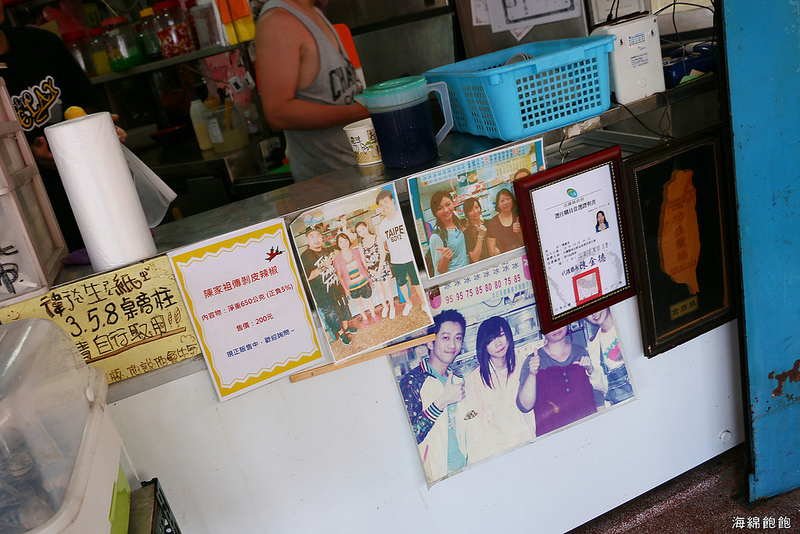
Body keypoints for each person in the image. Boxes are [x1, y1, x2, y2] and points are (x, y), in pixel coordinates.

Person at [0, 7, 125, 252]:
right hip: (28, 218)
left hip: (93, 193)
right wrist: (28, 157)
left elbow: (84, 105)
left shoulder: (42, 43)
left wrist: (98, 129)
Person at [255, 0, 369, 181]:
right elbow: (278, 113)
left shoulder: (314, 12)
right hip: (330, 185)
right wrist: (361, 111)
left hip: (358, 172)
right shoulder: (278, 23)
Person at [398, 309, 468, 481]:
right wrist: (442, 401)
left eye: (458, 338)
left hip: (465, 466)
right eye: (445, 338)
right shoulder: (412, 381)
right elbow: (410, 437)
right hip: (437, 476)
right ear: (430, 343)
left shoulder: (457, 379)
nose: (452, 345)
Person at [463, 316, 534, 464]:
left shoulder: (522, 363)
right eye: (490, 340)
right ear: (484, 346)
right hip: (497, 454)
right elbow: (473, 424)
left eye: (501, 335)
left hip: (528, 443)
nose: (498, 343)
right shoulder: (475, 380)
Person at [516, 327, 598, 437]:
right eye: (549, 324)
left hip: (587, 431)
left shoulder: (580, 352)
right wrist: (532, 373)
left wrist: (590, 369)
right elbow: (524, 406)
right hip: (555, 437)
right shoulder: (533, 360)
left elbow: (597, 393)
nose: (555, 328)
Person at [299, 226, 357, 345]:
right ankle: (341, 334)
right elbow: (306, 277)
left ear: (322, 237)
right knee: (332, 315)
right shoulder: (305, 256)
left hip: (336, 289)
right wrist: (323, 267)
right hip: (323, 295)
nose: (316, 239)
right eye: (312, 236)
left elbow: (346, 244)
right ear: (307, 239)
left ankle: (346, 328)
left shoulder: (326, 250)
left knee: (344, 309)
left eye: (318, 236)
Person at [376, 189, 427, 318]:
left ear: (392, 201)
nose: (384, 206)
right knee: (402, 284)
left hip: (410, 257)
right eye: (381, 205)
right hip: (396, 260)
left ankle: (424, 304)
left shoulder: (403, 217)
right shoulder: (382, 227)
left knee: (416, 282)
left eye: (386, 202)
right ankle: (408, 303)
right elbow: (384, 245)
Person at [586, 307, 633, 405]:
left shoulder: (629, 322)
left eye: (595, 305)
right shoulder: (593, 344)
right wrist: (590, 370)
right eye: (587, 312)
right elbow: (603, 389)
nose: (594, 313)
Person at [332, 232, 381, 327]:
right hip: (352, 286)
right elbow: (339, 275)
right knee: (358, 303)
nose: (344, 243)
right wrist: (345, 289)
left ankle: (373, 314)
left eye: (345, 240)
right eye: (341, 242)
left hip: (364, 281)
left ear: (348, 241)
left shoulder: (356, 251)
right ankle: (365, 318)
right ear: (338, 244)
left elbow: (364, 265)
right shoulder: (337, 259)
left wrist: (369, 278)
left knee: (369, 300)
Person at [354, 221, 395, 319]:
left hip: (383, 267)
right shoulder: (361, 244)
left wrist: (379, 270)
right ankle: (385, 307)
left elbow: (383, 254)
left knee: (387, 288)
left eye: (363, 229)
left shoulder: (377, 238)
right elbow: (363, 260)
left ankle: (392, 307)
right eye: (359, 231)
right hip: (372, 270)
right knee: (379, 290)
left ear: (367, 227)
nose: (362, 232)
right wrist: (370, 270)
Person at [428, 190, 468, 276]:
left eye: (448, 204)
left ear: (453, 203)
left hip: (466, 274)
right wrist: (445, 259)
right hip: (454, 279)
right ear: (435, 213)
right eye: (439, 208)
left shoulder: (457, 222)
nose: (446, 210)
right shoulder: (436, 236)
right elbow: (440, 271)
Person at [485, 188, 524, 257]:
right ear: (498, 204)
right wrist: (495, 252)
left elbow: (525, 244)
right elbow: (491, 252)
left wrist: (520, 232)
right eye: (502, 201)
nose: (506, 203)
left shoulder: (519, 217)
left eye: (508, 199)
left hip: (520, 256)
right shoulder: (492, 223)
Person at [462, 197, 488, 264]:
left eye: (477, 207)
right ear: (467, 214)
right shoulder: (466, 233)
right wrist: (480, 236)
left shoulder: (489, 224)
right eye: (471, 210)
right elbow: (475, 258)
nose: (475, 211)